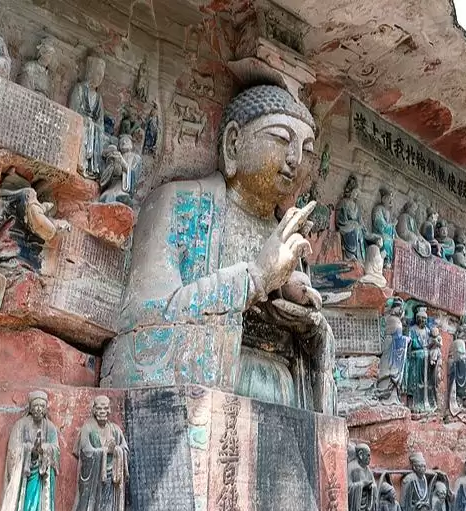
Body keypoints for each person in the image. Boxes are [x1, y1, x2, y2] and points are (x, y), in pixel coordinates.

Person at [102, 84, 326, 409]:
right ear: (233, 143)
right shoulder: (177, 204)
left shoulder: (289, 232)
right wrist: (255, 279)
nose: (295, 159)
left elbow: (307, 353)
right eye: (280, 138)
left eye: (307, 150)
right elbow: (143, 325)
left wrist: (308, 324)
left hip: (283, 391)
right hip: (208, 398)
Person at [66, 396, 129, 511]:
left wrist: (117, 450)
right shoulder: (88, 428)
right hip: (94, 477)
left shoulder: (115, 430)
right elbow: (86, 450)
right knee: (91, 507)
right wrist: (104, 451)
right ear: (94, 410)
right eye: (99, 409)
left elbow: (125, 449)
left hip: (112, 477)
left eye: (105, 409)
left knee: (108, 510)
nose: (102, 412)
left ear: (109, 410)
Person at [0, 391, 60, 511]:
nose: (38, 409)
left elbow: (56, 449)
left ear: (45, 409)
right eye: (35, 406)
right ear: (30, 408)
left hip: (42, 470)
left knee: (47, 481)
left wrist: (44, 449)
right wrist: (29, 449)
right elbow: (13, 450)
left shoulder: (50, 427)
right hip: (25, 471)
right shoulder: (20, 425)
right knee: (28, 500)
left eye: (42, 406)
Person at [69, 56, 107, 179]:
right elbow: (73, 110)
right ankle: (81, 164)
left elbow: (100, 121)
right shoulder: (79, 89)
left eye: (101, 75)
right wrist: (85, 120)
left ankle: (93, 169)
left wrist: (95, 126)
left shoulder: (99, 98)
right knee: (85, 130)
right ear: (91, 72)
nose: (99, 78)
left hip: (93, 130)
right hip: (82, 125)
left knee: (104, 137)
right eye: (98, 74)